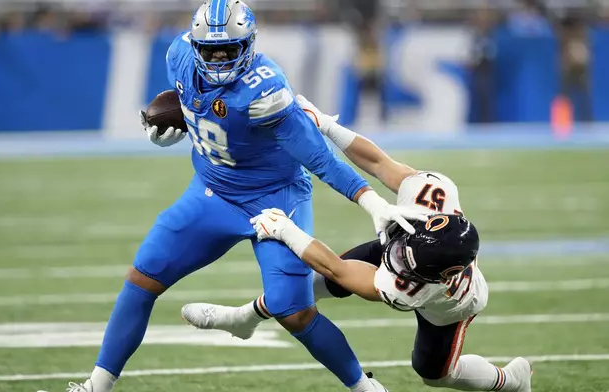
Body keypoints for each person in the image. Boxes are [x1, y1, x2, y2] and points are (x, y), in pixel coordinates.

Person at [42, 2, 425, 392]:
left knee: (292, 310)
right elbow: (196, 110)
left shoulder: (265, 89)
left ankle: (365, 388)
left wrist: (370, 200)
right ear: (195, 46)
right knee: (143, 278)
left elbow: (317, 156)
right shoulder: (179, 57)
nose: (220, 58)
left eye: (229, 49)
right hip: (212, 194)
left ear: (250, 45)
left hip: (275, 200)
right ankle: (96, 386)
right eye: (211, 51)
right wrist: (171, 131)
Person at [182, 97, 534, 392]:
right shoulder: (433, 197)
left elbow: (339, 267)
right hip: (413, 245)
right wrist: (326, 124)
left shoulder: (412, 288)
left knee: (435, 375)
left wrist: (287, 231)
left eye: (405, 259)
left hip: (445, 308)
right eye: (402, 251)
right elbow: (380, 163)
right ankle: (244, 318)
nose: (394, 259)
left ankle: (510, 382)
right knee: (306, 289)